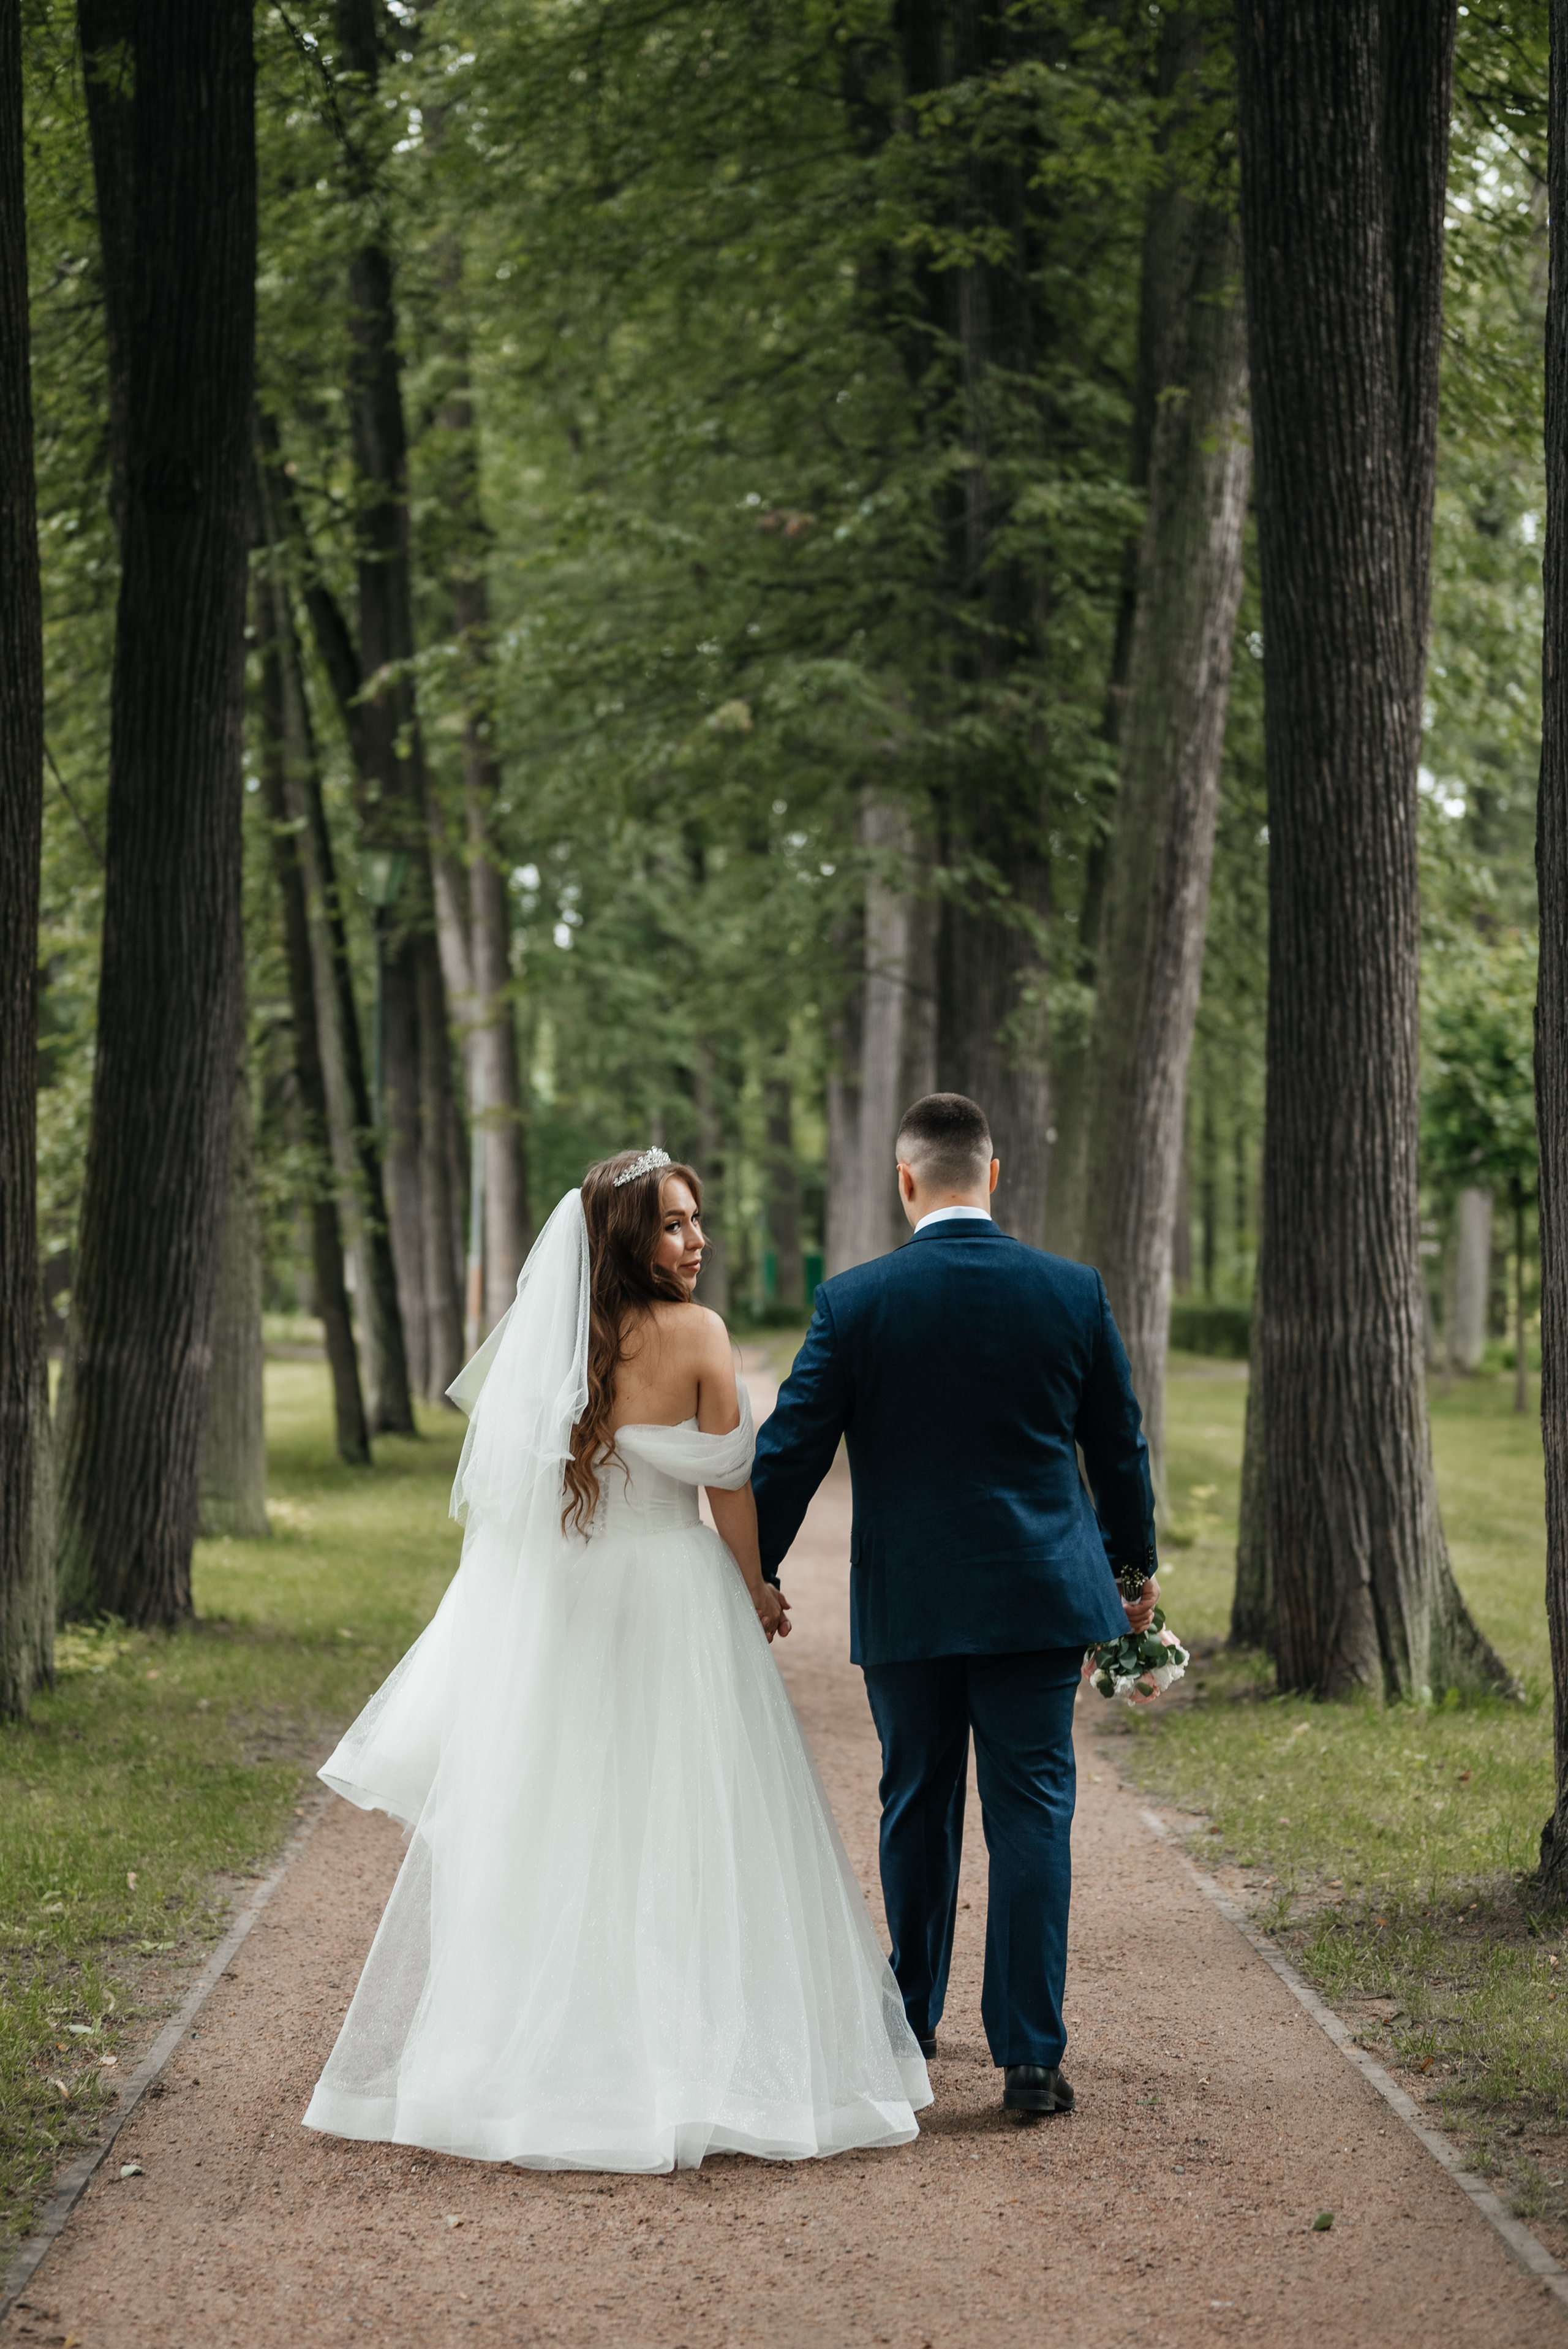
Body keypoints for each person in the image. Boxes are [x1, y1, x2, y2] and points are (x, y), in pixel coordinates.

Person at [303, 1148, 930, 2174]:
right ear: (629, 1237)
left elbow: (524, 1497)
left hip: (577, 1598)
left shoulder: (558, 1340)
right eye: (676, 1224)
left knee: (571, 1815)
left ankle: (548, 2058)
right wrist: (757, 1586)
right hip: (677, 1590)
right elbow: (730, 1483)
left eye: (697, 1220)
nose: (698, 1240)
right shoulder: (698, 1335)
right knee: (689, 1819)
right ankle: (690, 2060)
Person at [752, 1092, 1158, 2119]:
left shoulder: (856, 1301)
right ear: (994, 1169)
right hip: (1038, 1599)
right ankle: (1029, 2056)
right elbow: (1119, 1444)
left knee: (915, 1806)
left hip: (911, 1600)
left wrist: (748, 1569)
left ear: (905, 1180)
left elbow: (793, 1449)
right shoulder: (1070, 1291)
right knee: (1032, 1816)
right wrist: (1133, 1566)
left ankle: (911, 2026)